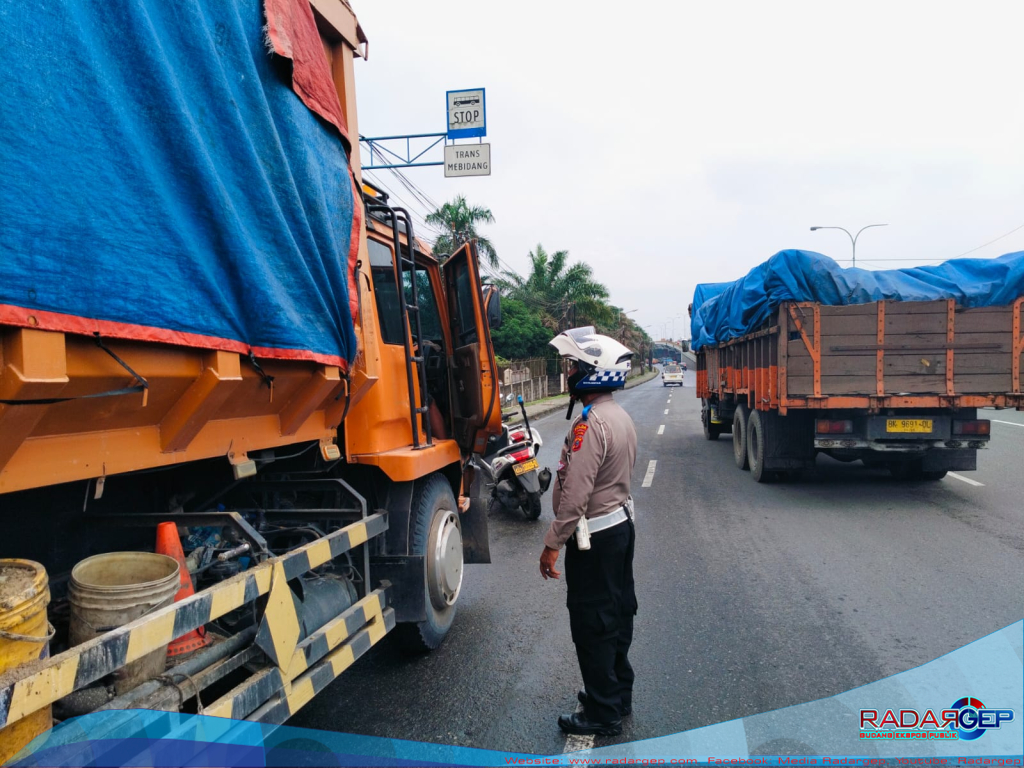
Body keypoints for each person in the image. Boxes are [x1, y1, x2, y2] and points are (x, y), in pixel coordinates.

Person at [539, 327, 638, 737]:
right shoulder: (618, 415)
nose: (568, 374)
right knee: (616, 612)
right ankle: (616, 693)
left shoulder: (590, 424)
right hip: (619, 529)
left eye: (573, 367)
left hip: (594, 538)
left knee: (592, 621)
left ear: (591, 373)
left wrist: (551, 545)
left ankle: (602, 712)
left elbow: (575, 496)